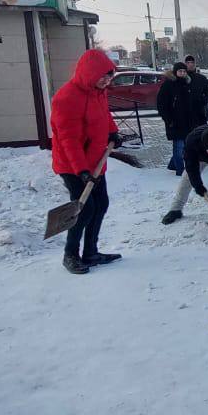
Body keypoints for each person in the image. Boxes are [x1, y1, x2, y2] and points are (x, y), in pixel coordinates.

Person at [50, 49, 125, 275]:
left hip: (95, 161)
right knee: (84, 208)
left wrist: (113, 133)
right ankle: (70, 255)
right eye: (102, 76)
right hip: (72, 165)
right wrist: (81, 170)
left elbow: (104, 116)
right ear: (89, 73)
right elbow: (68, 140)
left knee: (101, 204)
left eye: (109, 76)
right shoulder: (66, 98)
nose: (106, 80)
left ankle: (91, 252)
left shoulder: (97, 92)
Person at [160, 124, 208, 229]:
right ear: (206, 147)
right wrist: (198, 185)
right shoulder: (192, 141)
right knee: (187, 178)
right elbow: (191, 167)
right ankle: (176, 209)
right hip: (199, 156)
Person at [157, 55, 208, 176]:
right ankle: (180, 172)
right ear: (175, 72)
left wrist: (200, 104)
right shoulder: (168, 84)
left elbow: (196, 100)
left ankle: (174, 165)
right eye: (180, 71)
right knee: (179, 146)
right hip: (175, 122)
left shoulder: (188, 83)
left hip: (189, 121)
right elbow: (161, 105)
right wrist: (168, 120)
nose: (182, 73)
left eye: (184, 71)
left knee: (186, 145)